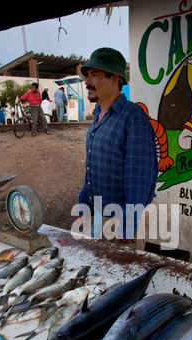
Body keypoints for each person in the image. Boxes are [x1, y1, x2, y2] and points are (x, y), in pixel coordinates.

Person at [76, 47, 158, 250]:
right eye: (87, 75)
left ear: (114, 78)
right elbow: (97, 167)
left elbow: (140, 176)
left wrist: (129, 223)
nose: (87, 82)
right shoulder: (98, 117)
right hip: (101, 218)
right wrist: (84, 199)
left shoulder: (132, 116)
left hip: (121, 222)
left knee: (124, 279)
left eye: (94, 75)